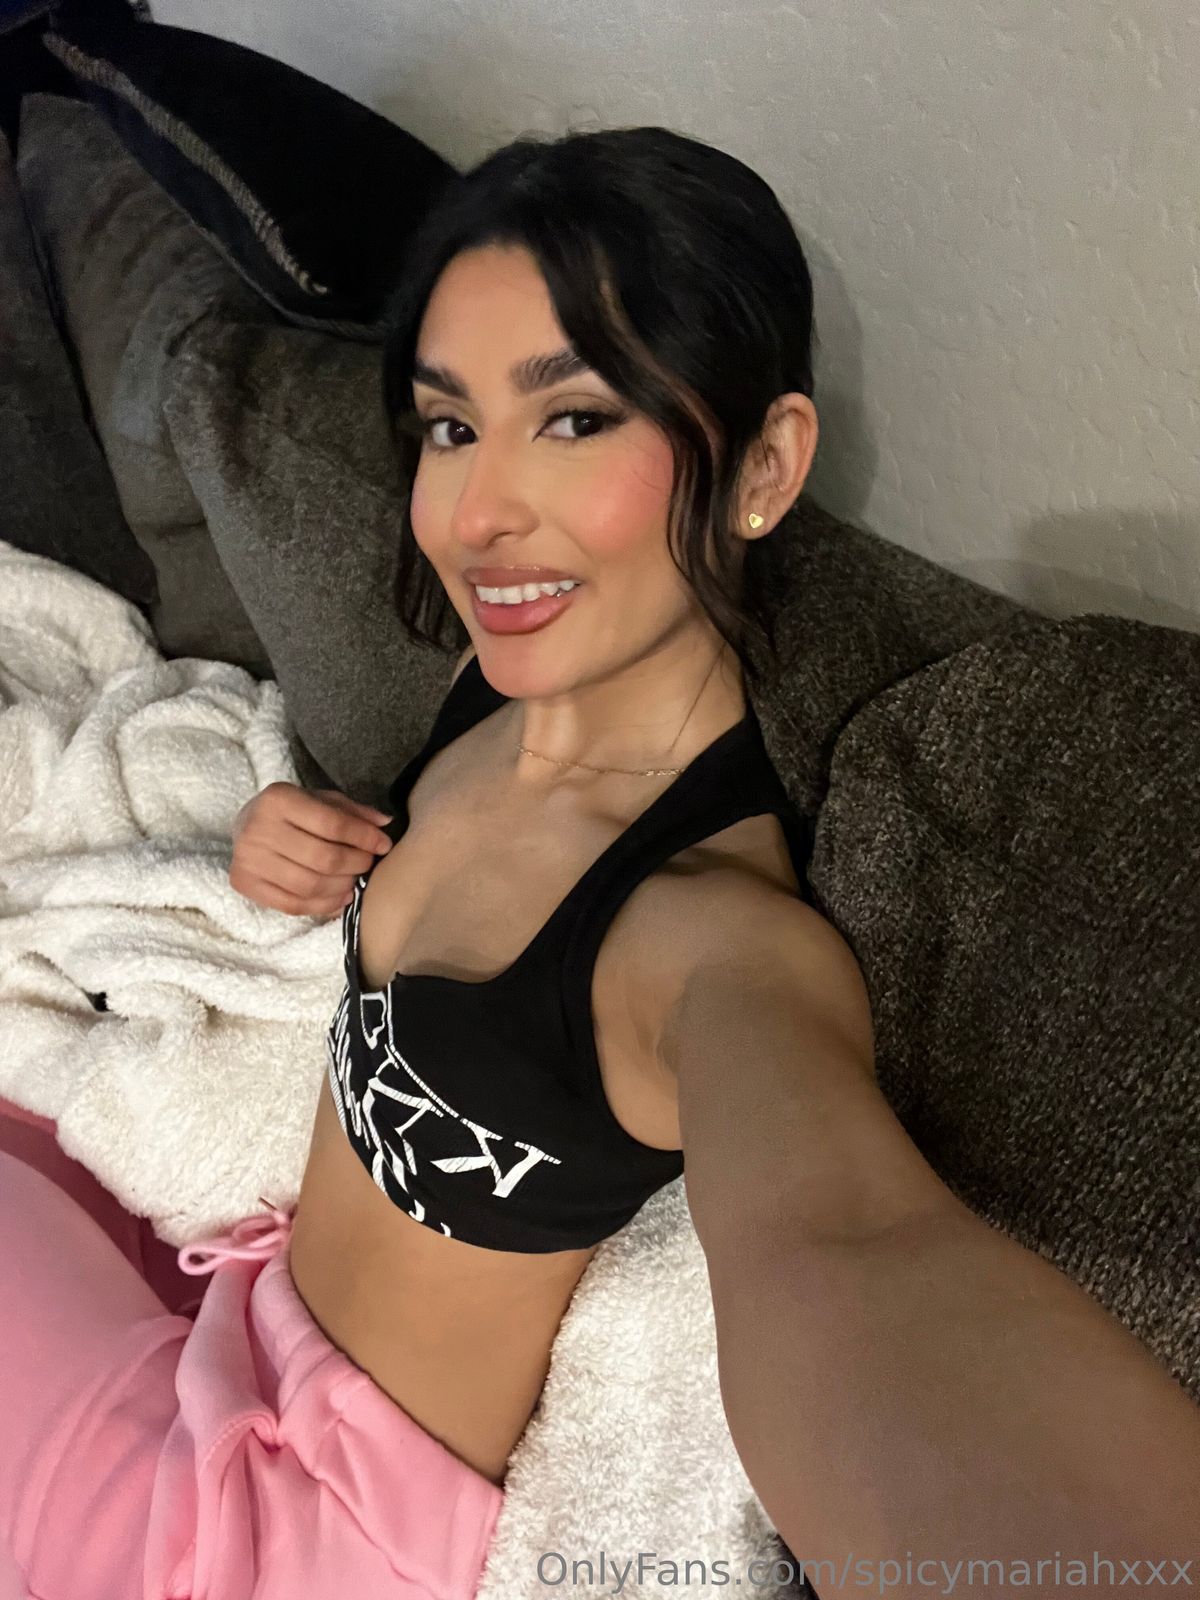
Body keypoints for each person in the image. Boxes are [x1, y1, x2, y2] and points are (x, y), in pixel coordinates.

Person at [2, 126, 1197, 1600]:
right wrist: (293, 843)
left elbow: (853, 1251)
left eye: (572, 419)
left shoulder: (710, 942)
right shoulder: (492, 693)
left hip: (290, 1531)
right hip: (236, 1317)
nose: (476, 516)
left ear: (765, 466)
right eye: (450, 427)